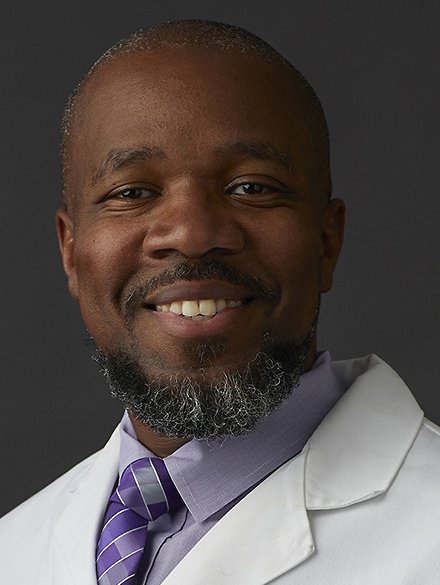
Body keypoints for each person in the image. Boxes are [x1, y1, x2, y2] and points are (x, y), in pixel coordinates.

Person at [0, 19, 439, 585]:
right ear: (70, 251)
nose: (190, 233)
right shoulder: (14, 549)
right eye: (132, 192)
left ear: (326, 242)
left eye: (251, 187)